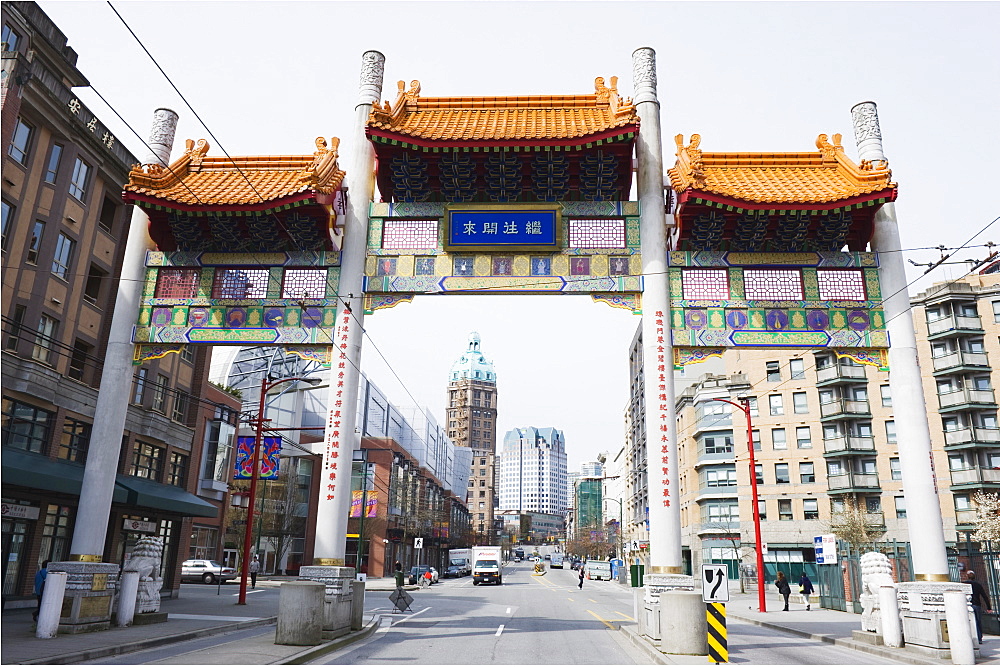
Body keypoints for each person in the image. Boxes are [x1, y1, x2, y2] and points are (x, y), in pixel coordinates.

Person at [966, 570, 992, 643]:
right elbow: (985, 596)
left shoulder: (964, 584)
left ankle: (972, 637)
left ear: (967, 576)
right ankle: (979, 637)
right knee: (978, 621)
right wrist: (989, 607)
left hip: (968, 605)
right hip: (977, 605)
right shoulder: (978, 585)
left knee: (970, 621)